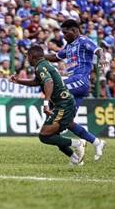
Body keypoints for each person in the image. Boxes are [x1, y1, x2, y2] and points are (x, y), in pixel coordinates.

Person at [44, 19, 107, 161]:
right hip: (76, 87)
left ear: (75, 30)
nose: (64, 36)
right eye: (63, 33)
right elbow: (55, 57)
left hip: (80, 80)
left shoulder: (83, 41)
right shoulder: (69, 46)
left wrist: (102, 58)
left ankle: (55, 117)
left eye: (66, 33)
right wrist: (40, 57)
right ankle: (97, 142)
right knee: (69, 121)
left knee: (55, 88)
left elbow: (98, 50)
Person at [12, 45, 85, 165]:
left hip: (63, 104)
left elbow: (49, 82)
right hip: (63, 103)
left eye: (27, 57)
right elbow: (36, 82)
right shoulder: (44, 64)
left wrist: (45, 104)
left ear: (32, 56)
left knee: (44, 135)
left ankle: (78, 143)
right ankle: (76, 159)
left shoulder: (40, 67)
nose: (27, 60)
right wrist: (18, 81)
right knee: (53, 135)